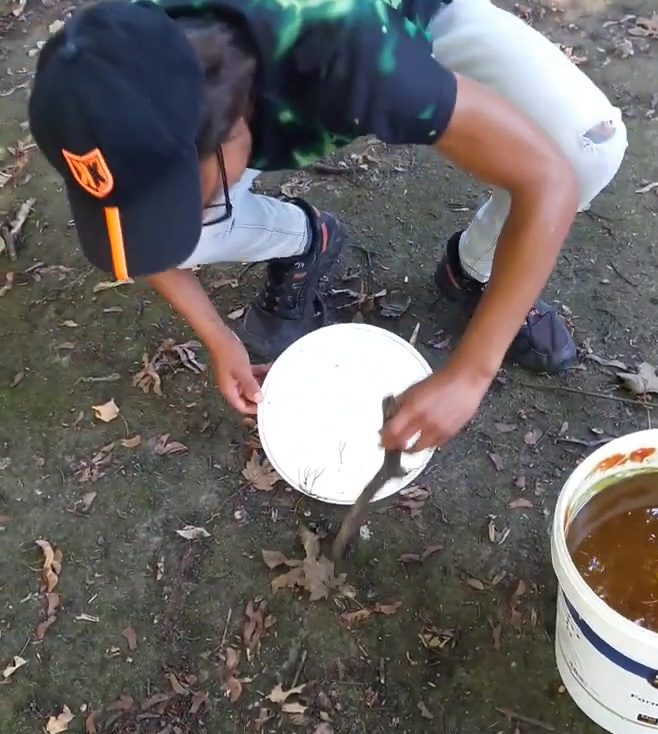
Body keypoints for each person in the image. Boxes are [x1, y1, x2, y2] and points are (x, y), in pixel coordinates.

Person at [28, 0, 627, 453]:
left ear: (234, 125)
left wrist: (471, 372)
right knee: (184, 222)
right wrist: (220, 338)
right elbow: (128, 222)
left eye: (185, 193)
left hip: (408, 16)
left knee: (582, 150)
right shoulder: (117, 66)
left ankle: (475, 269)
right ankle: (304, 240)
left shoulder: (353, 57)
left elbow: (547, 180)